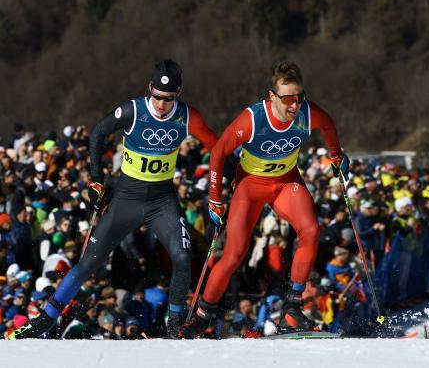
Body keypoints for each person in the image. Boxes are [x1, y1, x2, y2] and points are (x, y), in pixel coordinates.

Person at [9, 59, 218, 339]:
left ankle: (176, 325)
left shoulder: (187, 116)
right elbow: (97, 132)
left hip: (162, 200)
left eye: (168, 99)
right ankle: (45, 320)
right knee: (88, 263)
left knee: (182, 256)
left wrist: (223, 189)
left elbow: (218, 149)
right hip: (127, 197)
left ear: (177, 95)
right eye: (157, 96)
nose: (161, 104)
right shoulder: (134, 109)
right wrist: (97, 179)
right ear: (149, 89)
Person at [183, 60, 349, 336]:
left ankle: (293, 310)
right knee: (234, 254)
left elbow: (329, 126)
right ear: (272, 97)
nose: (295, 105)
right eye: (288, 99)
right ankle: (202, 315)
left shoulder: (309, 113)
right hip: (251, 185)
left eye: (299, 97)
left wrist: (336, 155)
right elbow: (217, 152)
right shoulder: (253, 119)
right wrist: (215, 198)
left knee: (310, 230)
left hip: (286, 182)